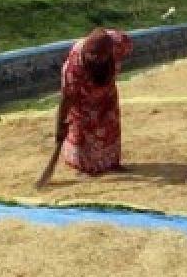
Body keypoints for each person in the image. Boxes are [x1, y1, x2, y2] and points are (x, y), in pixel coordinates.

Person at [53, 27, 134, 175]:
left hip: (107, 93)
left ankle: (111, 163)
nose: (96, 59)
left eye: (100, 57)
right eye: (93, 56)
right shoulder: (73, 67)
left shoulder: (118, 42)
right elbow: (67, 97)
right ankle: (83, 166)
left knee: (110, 127)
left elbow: (125, 46)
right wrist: (60, 124)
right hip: (82, 99)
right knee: (84, 132)